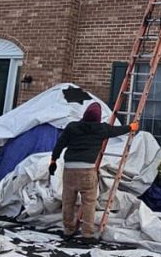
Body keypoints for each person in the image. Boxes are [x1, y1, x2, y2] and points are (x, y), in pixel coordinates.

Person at [49, 103, 138, 240]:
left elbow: (59, 144)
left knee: (68, 201)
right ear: (98, 118)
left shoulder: (72, 127)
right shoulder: (101, 129)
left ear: (84, 115)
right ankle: (87, 234)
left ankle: (68, 231)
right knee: (89, 203)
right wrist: (131, 127)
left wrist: (53, 161)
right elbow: (116, 130)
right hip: (87, 170)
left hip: (70, 169)